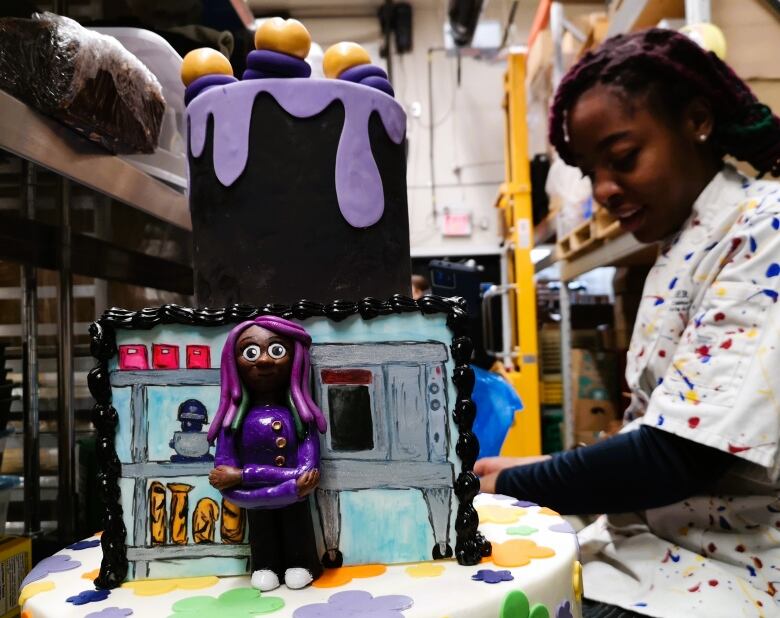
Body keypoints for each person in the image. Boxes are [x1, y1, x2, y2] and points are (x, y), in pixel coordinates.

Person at [476, 28, 780, 617]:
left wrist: (509, 486)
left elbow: (679, 456)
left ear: (697, 121)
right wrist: (535, 468)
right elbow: (664, 422)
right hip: (655, 550)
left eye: (622, 159)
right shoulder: (683, 244)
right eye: (590, 172)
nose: (605, 190)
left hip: (729, 570)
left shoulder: (762, 232)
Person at [207, 316, 328, 592]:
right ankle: (265, 564)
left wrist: (243, 475)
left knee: (297, 525)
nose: (263, 361)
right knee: (260, 530)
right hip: (265, 500)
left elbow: (307, 471)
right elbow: (221, 472)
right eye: (251, 351)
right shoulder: (232, 418)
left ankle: (303, 562)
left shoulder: (301, 415)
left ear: (296, 360)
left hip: (289, 499)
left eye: (276, 350)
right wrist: (288, 485)